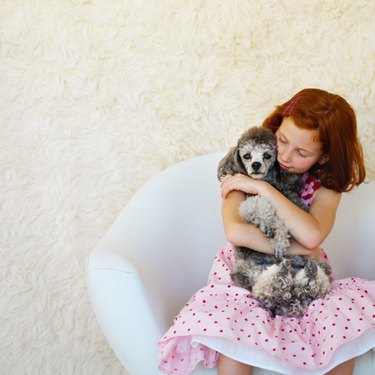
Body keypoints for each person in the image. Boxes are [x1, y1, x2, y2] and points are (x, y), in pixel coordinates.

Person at [158, 88, 375, 375]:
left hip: (301, 274)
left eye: (301, 152)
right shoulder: (246, 165)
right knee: (236, 325)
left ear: (323, 158)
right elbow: (237, 232)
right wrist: (298, 246)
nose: (284, 155)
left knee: (337, 327)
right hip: (243, 272)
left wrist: (263, 190)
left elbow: (312, 235)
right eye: (282, 140)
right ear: (276, 126)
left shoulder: (324, 188)